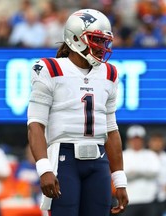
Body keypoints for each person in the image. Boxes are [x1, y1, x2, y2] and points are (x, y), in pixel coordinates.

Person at [27, 8, 129, 216]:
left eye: (104, 41)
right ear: (75, 38)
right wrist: (44, 168)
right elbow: (35, 124)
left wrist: (119, 179)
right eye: (96, 40)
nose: (102, 47)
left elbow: (111, 129)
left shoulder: (109, 73)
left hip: (98, 160)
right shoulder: (49, 69)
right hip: (64, 159)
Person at [122, 125, 160, 216]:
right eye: (133, 139)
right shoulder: (123, 155)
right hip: (129, 200)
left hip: (148, 200)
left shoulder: (151, 154)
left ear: (143, 140)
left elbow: (155, 171)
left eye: (139, 139)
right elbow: (122, 174)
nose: (136, 142)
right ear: (129, 140)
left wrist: (135, 172)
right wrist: (144, 172)